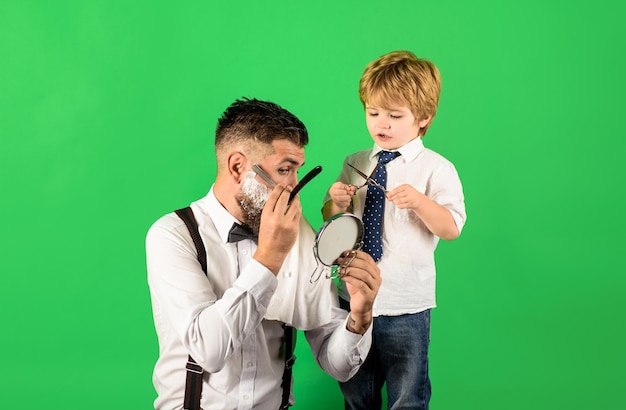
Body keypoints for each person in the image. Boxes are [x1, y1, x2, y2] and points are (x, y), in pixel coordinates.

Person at [146, 97, 382, 410]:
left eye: (297, 172)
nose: (294, 186)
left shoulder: (300, 236)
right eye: (284, 170)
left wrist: (359, 317)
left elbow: (336, 364)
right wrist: (270, 256)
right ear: (237, 167)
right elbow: (210, 350)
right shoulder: (172, 236)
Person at [322, 51, 467, 409]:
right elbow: (332, 222)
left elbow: (451, 228)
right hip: (353, 298)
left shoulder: (436, 168)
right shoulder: (355, 162)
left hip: (406, 305)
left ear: (423, 119)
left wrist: (420, 201)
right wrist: (334, 202)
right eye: (373, 113)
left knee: (408, 395)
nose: (381, 124)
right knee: (357, 395)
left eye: (394, 115)